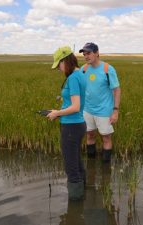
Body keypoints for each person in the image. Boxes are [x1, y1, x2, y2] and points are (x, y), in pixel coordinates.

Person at [47, 46, 87, 200]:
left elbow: (76, 106)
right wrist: (58, 111)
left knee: (71, 168)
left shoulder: (73, 78)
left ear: (66, 60)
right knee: (77, 163)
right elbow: (73, 103)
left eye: (59, 65)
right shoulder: (81, 74)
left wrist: (57, 113)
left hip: (71, 127)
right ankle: (83, 197)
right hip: (78, 124)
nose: (58, 69)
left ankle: (75, 208)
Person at [79, 42, 121, 163]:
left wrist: (115, 111)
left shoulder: (108, 69)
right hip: (87, 110)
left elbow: (117, 90)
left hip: (104, 111)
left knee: (106, 138)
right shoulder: (84, 69)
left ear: (97, 53)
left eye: (89, 53)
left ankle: (106, 167)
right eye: (84, 54)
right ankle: (91, 165)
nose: (86, 56)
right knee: (89, 135)